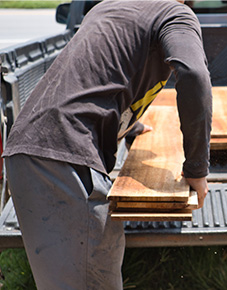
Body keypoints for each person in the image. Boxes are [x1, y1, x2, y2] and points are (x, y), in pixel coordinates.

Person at [2, 0, 212, 289]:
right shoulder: (173, 12)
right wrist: (197, 170)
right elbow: (194, 74)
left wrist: (128, 125)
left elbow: (91, 79)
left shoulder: (107, 7)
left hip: (30, 150)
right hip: (63, 160)